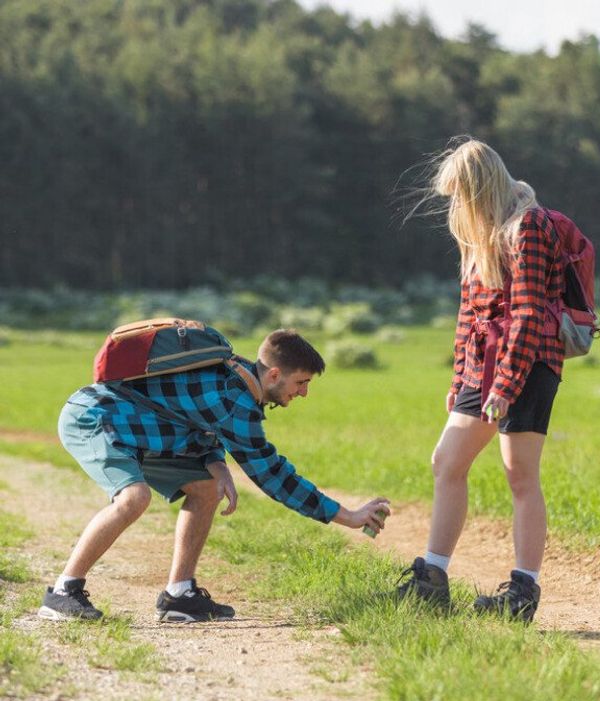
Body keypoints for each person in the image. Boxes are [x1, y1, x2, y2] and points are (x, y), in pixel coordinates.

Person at [39, 329, 390, 622]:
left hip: (142, 431)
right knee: (134, 498)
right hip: (95, 419)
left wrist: (215, 461)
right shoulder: (236, 399)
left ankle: (179, 595)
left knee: (208, 488)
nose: (303, 392)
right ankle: (62, 592)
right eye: (300, 382)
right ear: (273, 375)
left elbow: (189, 413)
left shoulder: (234, 375)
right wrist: (347, 515)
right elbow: (273, 475)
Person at [395, 139, 568, 622]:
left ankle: (522, 593)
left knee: (520, 474)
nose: (455, 206)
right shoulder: (478, 234)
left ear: (480, 188)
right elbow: (470, 313)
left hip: (530, 363)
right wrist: (461, 377)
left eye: (459, 195)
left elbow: (530, 313)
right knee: (447, 460)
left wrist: (505, 387)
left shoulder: (529, 226)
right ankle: (432, 580)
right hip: (483, 366)